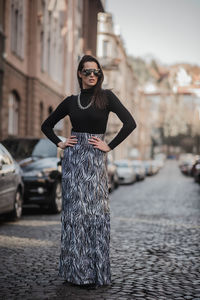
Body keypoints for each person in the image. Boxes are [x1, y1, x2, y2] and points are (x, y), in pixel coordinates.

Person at [41, 55, 137, 288]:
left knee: (95, 216)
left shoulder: (107, 97)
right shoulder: (71, 101)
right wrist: (60, 142)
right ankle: (75, 273)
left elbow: (130, 123)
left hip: (94, 162)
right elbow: (46, 125)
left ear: (100, 74)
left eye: (96, 72)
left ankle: (94, 272)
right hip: (73, 162)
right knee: (74, 217)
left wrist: (109, 145)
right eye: (87, 72)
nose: (92, 75)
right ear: (79, 74)